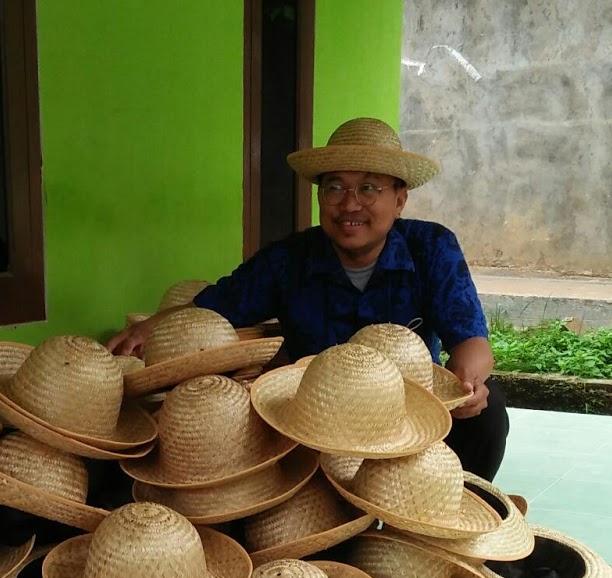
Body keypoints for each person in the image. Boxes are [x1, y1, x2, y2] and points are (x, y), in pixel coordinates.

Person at [107, 117, 509, 482]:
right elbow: (214, 309)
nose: (350, 204)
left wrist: (468, 383)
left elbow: (471, 339)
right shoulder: (287, 260)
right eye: (335, 187)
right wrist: (152, 326)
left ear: (399, 198)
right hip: (316, 423)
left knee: (487, 417)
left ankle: (446, 523)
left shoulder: (432, 248)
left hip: (404, 413)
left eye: (369, 187)